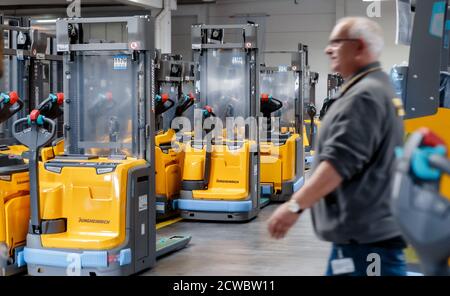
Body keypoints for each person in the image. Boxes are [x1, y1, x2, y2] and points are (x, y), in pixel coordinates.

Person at [267, 17, 407, 276]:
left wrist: (294, 206)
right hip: (357, 238)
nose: (328, 49)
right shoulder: (375, 86)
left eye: (336, 42)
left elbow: (338, 164)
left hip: (367, 242)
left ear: (359, 47)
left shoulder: (364, 95)